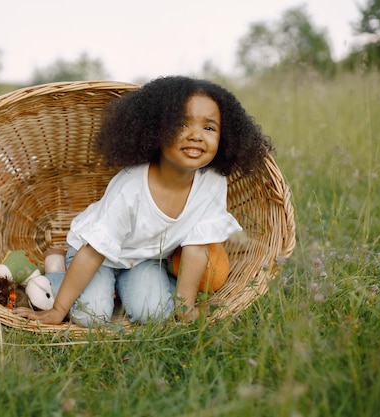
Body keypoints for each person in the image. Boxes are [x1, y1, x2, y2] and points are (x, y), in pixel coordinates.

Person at [14, 75, 272, 326]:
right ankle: (56, 266)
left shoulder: (213, 182)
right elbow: (93, 252)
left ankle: (120, 289)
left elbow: (196, 247)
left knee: (155, 313)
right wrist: (58, 310)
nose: (196, 135)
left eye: (208, 127)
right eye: (182, 124)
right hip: (96, 254)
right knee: (90, 315)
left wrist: (185, 308)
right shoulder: (131, 186)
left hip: (146, 259)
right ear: (156, 131)